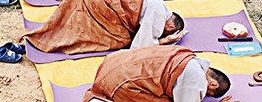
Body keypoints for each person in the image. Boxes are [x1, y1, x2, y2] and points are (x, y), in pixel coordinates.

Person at [20, 0, 184, 54]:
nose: (159, 33)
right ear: (170, 26)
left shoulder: (158, 2)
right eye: (163, 32)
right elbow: (139, 48)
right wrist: (164, 41)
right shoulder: (158, 14)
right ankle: (50, 38)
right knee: (121, 39)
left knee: (70, 18)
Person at [82, 46, 230, 102]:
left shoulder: (186, 55)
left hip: (110, 62)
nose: (201, 96)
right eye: (206, 94)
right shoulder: (197, 78)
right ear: (213, 84)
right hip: (119, 82)